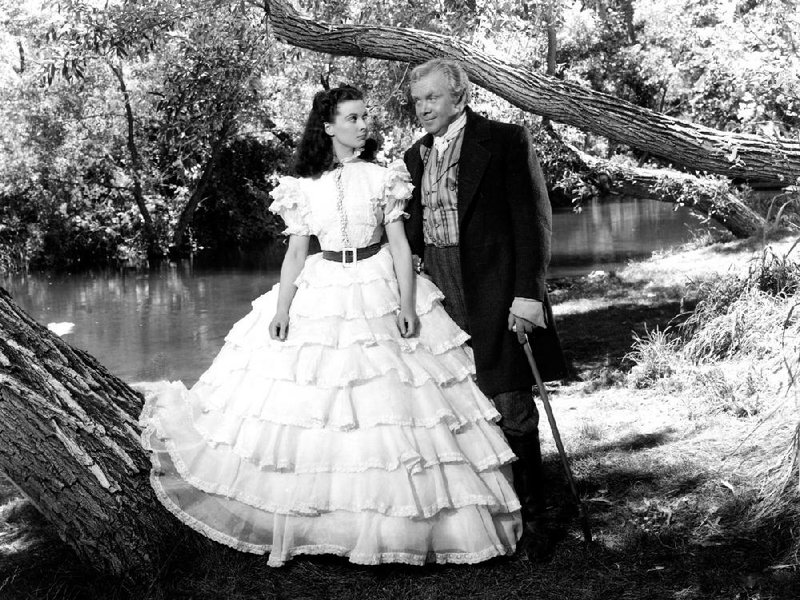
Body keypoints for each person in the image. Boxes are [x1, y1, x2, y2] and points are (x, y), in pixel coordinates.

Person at [139, 85, 522, 567]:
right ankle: (322, 520)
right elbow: (297, 251)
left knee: (393, 403)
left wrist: (407, 302)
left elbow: (401, 246)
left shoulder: (387, 176)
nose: (364, 125)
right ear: (328, 126)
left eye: (365, 117)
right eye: (353, 118)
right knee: (315, 406)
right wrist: (282, 308)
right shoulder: (303, 186)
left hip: (377, 282)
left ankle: (404, 523)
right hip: (324, 285)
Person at [403, 59, 568, 535]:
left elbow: (533, 222)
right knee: (461, 397)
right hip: (439, 283)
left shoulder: (504, 141)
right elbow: (413, 231)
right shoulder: (414, 157)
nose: (423, 108)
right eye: (417, 100)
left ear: (460, 96)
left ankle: (535, 515)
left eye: (432, 97)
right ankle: (495, 510)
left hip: (495, 283)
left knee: (510, 394)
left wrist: (528, 296)